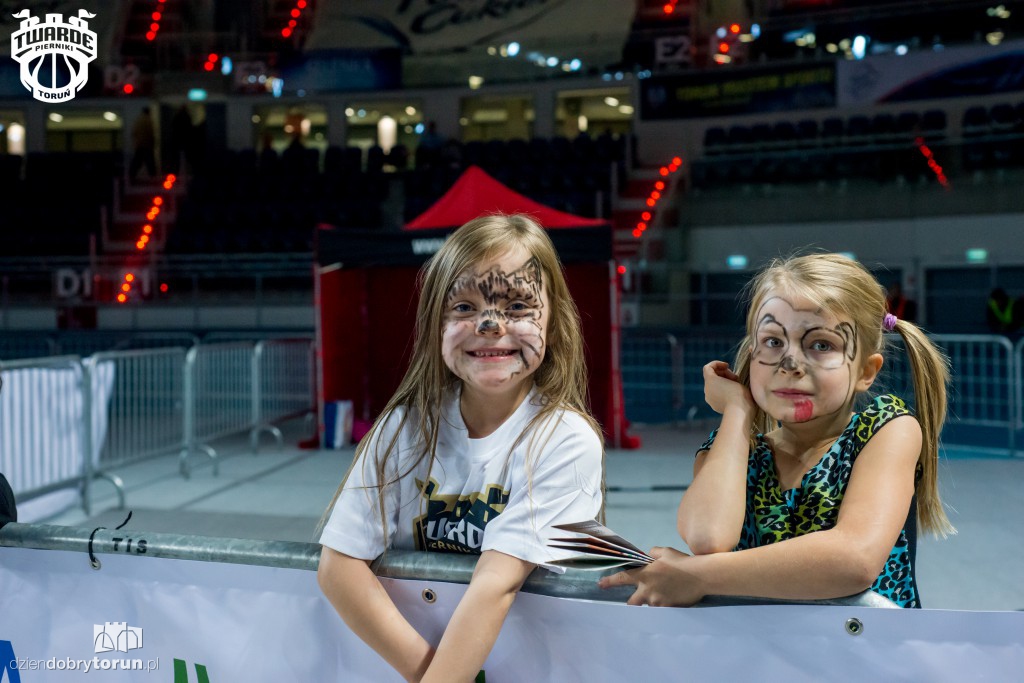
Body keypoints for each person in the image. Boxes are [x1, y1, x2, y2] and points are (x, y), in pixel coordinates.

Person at [317, 214, 604, 682]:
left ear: (552, 323)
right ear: (436, 323)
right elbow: (338, 566)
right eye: (465, 307)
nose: (490, 325)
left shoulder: (565, 442)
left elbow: (496, 585)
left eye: (516, 306)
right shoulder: (402, 429)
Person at [600, 253, 954, 608]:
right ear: (752, 353)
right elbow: (706, 536)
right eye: (773, 341)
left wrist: (698, 575)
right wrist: (738, 410)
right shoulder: (734, 450)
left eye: (821, 345)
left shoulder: (886, 429)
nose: (791, 363)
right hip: (763, 657)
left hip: (867, 655)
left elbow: (854, 559)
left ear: (865, 371)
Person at [129, 106, 156, 182]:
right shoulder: (148, 120)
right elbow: (150, 134)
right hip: (147, 145)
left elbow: (133, 132)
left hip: (139, 145)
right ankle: (153, 178)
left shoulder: (138, 120)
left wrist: (136, 142)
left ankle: (131, 176)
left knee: (137, 162)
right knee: (150, 163)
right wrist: (153, 144)